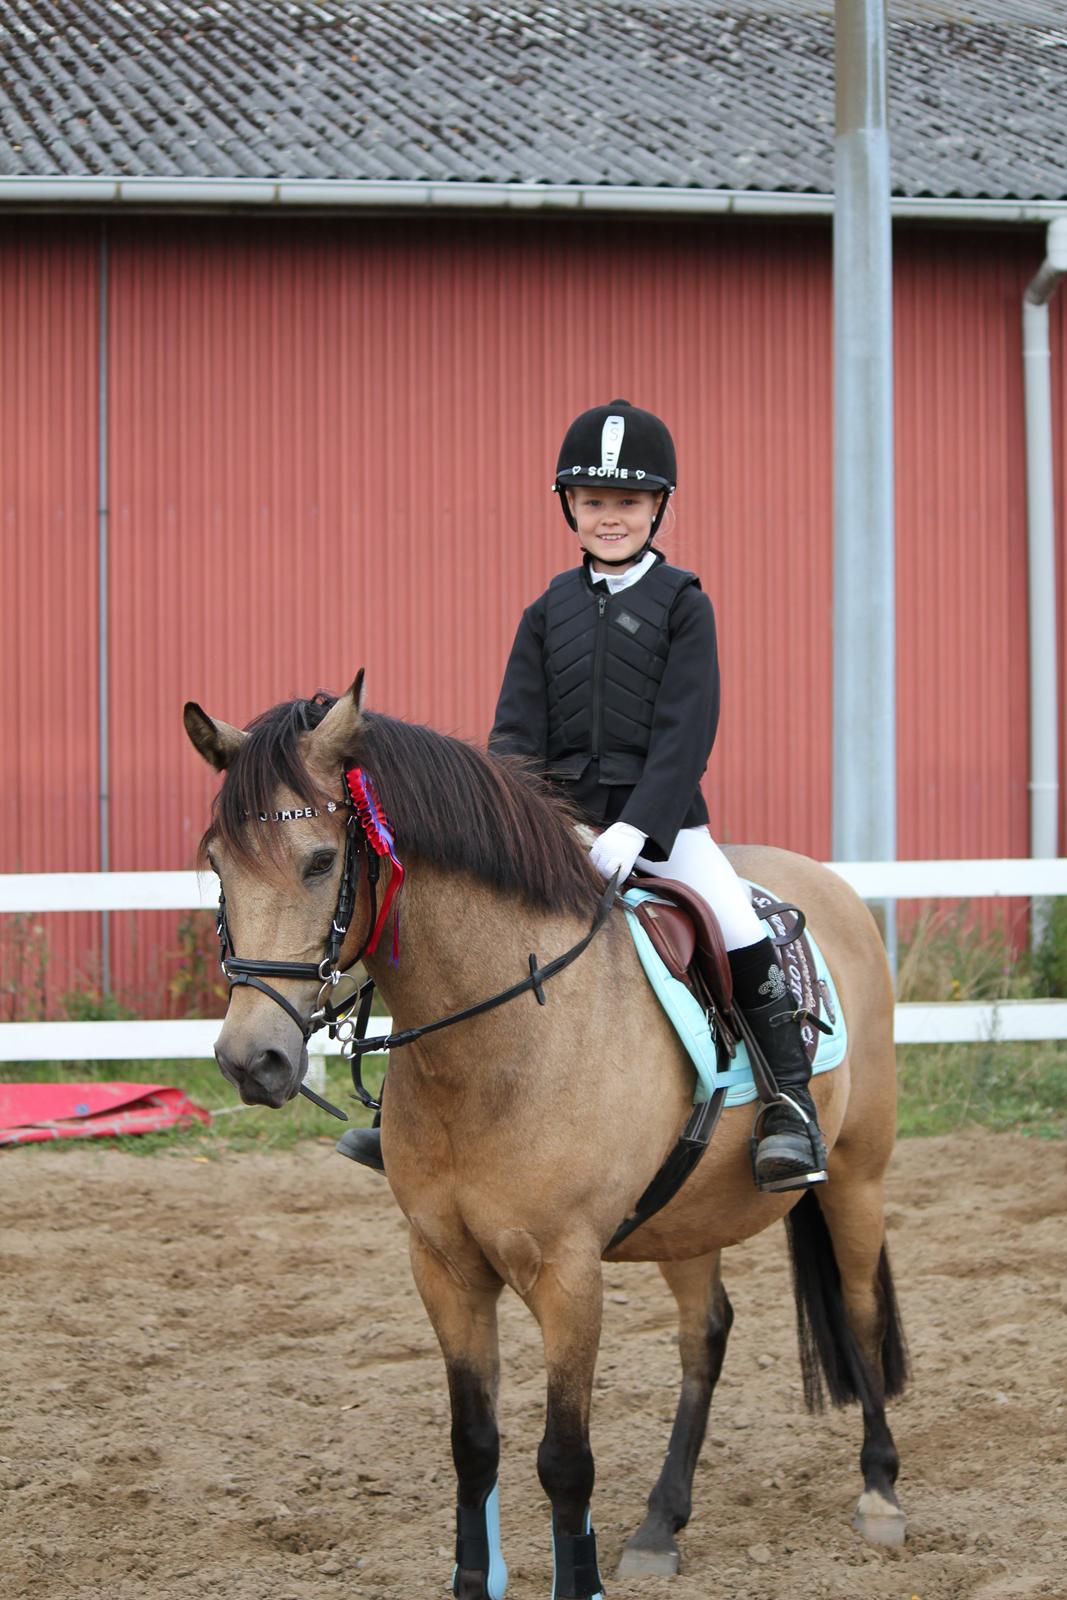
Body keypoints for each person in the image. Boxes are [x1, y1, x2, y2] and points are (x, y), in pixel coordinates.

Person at [338, 400, 826, 1189]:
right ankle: (402, 1101)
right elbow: (513, 737)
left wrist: (637, 828)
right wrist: (528, 824)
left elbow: (684, 733)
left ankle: (789, 1107)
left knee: (734, 922)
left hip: (661, 827)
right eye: (594, 502)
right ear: (569, 505)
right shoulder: (546, 611)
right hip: (553, 827)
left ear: (656, 506)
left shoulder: (683, 605)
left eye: (627, 503)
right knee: (457, 928)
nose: (610, 517)